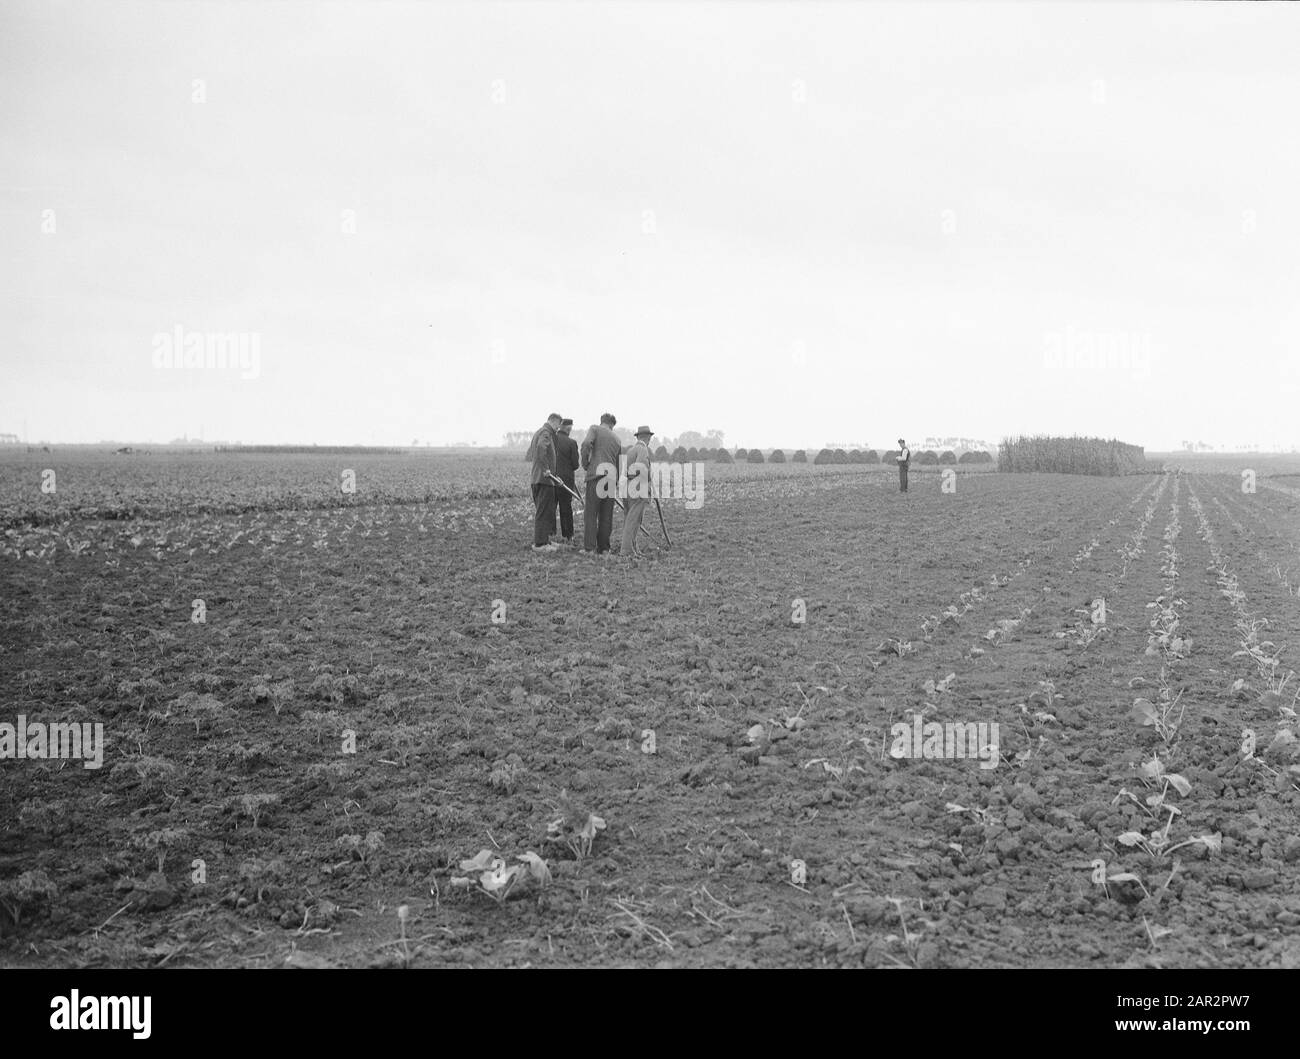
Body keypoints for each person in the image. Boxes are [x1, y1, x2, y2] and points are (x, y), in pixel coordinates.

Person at [580, 413, 621, 555]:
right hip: (611, 478)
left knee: (591, 513)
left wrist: (585, 464)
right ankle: (604, 548)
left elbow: (586, 444)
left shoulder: (595, 429)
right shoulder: (617, 439)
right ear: (611, 425)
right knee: (606, 515)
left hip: (596, 475)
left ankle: (590, 548)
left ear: (602, 421)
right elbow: (618, 463)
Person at [526, 412, 563, 550]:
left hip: (540, 478)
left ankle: (545, 540)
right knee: (543, 511)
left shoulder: (539, 432)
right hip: (543, 480)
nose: (558, 428)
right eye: (558, 425)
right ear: (554, 422)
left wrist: (554, 474)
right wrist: (546, 469)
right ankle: (540, 544)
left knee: (547, 511)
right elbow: (541, 448)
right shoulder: (546, 433)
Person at [621, 425, 655, 557]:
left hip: (628, 486)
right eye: (650, 438)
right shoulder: (643, 449)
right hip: (638, 487)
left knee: (631, 518)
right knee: (633, 520)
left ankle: (633, 548)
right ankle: (627, 550)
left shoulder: (631, 450)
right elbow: (640, 467)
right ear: (647, 438)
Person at [554, 419, 580, 545]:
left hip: (551, 479)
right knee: (566, 508)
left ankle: (550, 535)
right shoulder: (571, 443)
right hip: (566, 481)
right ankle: (568, 535)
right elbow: (575, 465)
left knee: (551, 507)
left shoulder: (552, 439)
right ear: (568, 429)